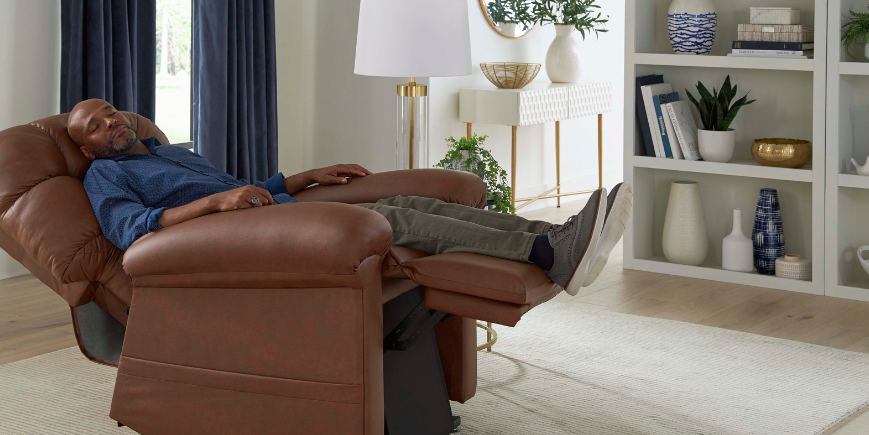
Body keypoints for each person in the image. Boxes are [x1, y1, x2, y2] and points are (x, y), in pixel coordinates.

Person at [67, 98, 631, 297]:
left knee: (420, 207)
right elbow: (131, 229)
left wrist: (306, 175)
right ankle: (547, 254)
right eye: (94, 125)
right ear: (89, 149)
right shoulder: (104, 178)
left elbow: (241, 191)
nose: (109, 122)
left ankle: (550, 239)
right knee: (394, 219)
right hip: (221, 239)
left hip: (267, 215)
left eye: (109, 112)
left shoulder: (169, 151)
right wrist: (212, 208)